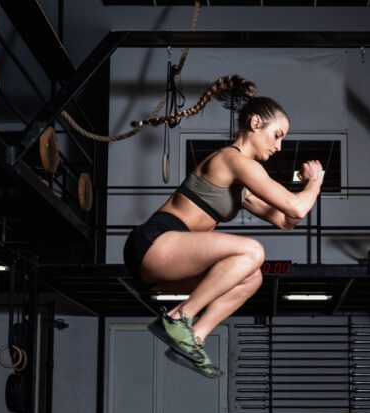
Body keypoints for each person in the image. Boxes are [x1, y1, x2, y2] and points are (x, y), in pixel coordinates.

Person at [123, 77, 325, 378]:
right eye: (277, 135)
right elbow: (296, 206)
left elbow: (287, 220)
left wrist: (308, 189)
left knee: (252, 277)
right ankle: (180, 317)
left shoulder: (241, 186)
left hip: (169, 261)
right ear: (256, 123)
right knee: (253, 250)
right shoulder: (232, 159)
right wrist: (316, 181)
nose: (279, 147)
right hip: (153, 243)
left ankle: (194, 338)